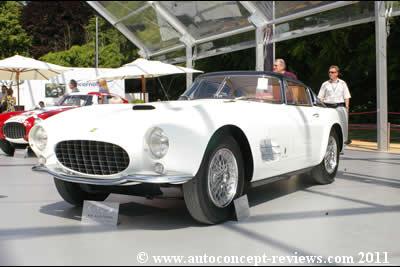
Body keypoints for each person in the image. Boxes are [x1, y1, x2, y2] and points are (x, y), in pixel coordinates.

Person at [318, 65, 352, 144]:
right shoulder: (325, 84)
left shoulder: (342, 83)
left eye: (332, 72)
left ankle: (343, 144)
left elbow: (346, 96)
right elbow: (320, 97)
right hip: (328, 107)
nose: (330, 74)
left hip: (339, 106)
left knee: (343, 126)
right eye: (329, 72)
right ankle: (328, 142)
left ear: (337, 73)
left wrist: (347, 107)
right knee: (328, 126)